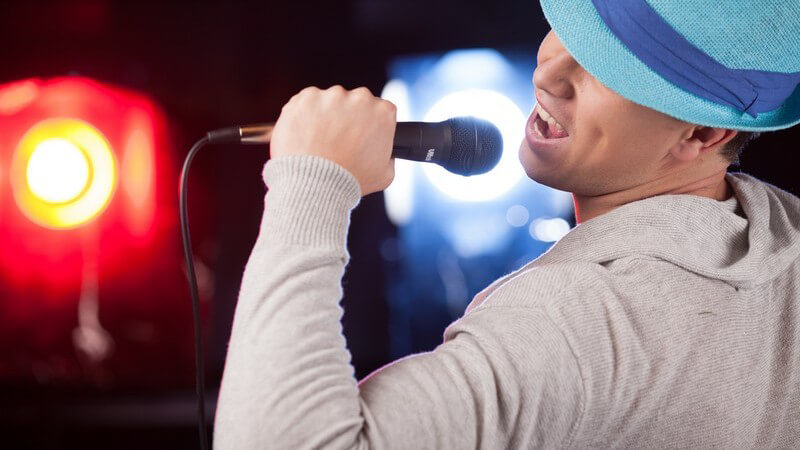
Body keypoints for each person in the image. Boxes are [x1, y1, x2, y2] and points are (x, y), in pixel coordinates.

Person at [214, 0, 800, 448]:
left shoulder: (580, 321)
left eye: (608, 68)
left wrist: (313, 182)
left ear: (702, 133)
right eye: (570, 26)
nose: (550, 74)